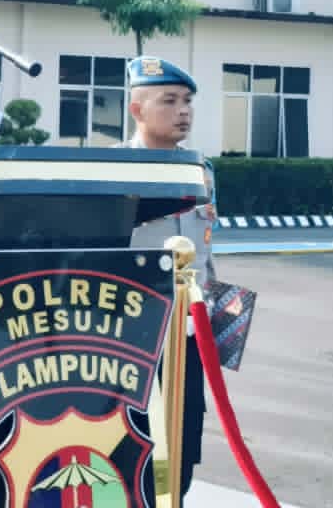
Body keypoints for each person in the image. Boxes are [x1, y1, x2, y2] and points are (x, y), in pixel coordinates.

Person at [122, 55, 217, 497]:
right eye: (170, 100)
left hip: (189, 340)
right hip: (131, 341)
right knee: (130, 453)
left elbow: (205, 255)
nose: (184, 111)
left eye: (188, 101)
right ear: (137, 109)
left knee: (182, 454)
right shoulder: (110, 170)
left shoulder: (201, 170)